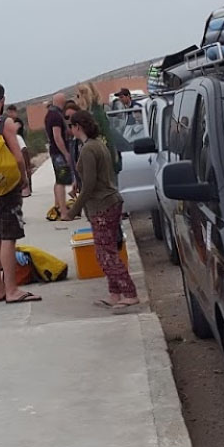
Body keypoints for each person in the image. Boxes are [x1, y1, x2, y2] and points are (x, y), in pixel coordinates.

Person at [61, 110, 138, 311]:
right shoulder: (97, 145)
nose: (70, 130)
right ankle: (115, 294)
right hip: (110, 201)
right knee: (109, 249)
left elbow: (90, 185)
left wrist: (73, 211)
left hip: (101, 206)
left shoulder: (88, 149)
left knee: (105, 254)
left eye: (71, 126)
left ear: (78, 127)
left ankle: (129, 293)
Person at [0, 82, 39, 304]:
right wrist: (23, 178)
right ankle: (12, 290)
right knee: (8, 238)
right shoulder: (5, 123)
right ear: (2, 99)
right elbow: (19, 157)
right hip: (6, 187)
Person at [44, 92, 74, 221]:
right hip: (59, 153)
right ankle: (63, 213)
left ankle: (58, 206)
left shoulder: (50, 114)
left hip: (55, 152)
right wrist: (65, 153)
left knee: (59, 180)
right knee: (62, 181)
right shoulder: (56, 116)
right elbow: (57, 136)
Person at [3, 104, 32, 197]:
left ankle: (28, 187)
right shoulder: (8, 122)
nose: (9, 114)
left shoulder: (18, 122)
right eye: (8, 113)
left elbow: (14, 131)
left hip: (21, 146)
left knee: (26, 166)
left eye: (11, 112)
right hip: (15, 147)